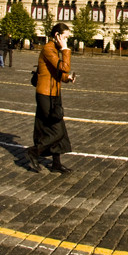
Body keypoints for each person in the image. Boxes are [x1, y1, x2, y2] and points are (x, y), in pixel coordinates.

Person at [26, 23, 77, 174]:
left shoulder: (54, 49)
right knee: (56, 130)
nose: (67, 40)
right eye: (65, 37)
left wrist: (67, 79)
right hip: (45, 94)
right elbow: (63, 67)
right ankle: (34, 152)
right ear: (57, 35)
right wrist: (65, 49)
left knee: (58, 127)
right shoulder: (48, 49)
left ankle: (56, 163)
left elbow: (59, 72)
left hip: (54, 93)